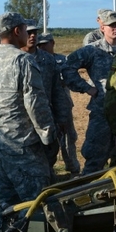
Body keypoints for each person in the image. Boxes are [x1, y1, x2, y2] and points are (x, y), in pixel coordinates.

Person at [0, 13, 57, 213]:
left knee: (7, 203)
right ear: (17, 31)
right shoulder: (23, 60)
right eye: (25, 29)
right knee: (36, 204)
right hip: (24, 146)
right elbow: (35, 103)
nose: (28, 34)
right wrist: (48, 136)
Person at [62, 10, 116, 174]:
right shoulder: (92, 50)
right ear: (102, 28)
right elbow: (66, 68)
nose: (115, 29)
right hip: (101, 112)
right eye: (111, 25)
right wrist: (87, 88)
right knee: (94, 158)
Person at [21, 21, 69, 182]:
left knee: (49, 152)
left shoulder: (48, 60)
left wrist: (62, 117)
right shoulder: (16, 59)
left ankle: (47, 181)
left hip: (47, 117)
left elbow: (58, 91)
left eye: (34, 32)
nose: (32, 36)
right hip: (21, 122)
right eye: (28, 32)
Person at [38, 32, 81, 177]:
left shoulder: (62, 60)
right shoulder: (35, 60)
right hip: (43, 106)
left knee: (69, 137)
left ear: (53, 43)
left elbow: (68, 79)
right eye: (40, 45)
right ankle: (48, 169)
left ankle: (73, 167)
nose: (43, 47)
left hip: (63, 104)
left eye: (46, 43)